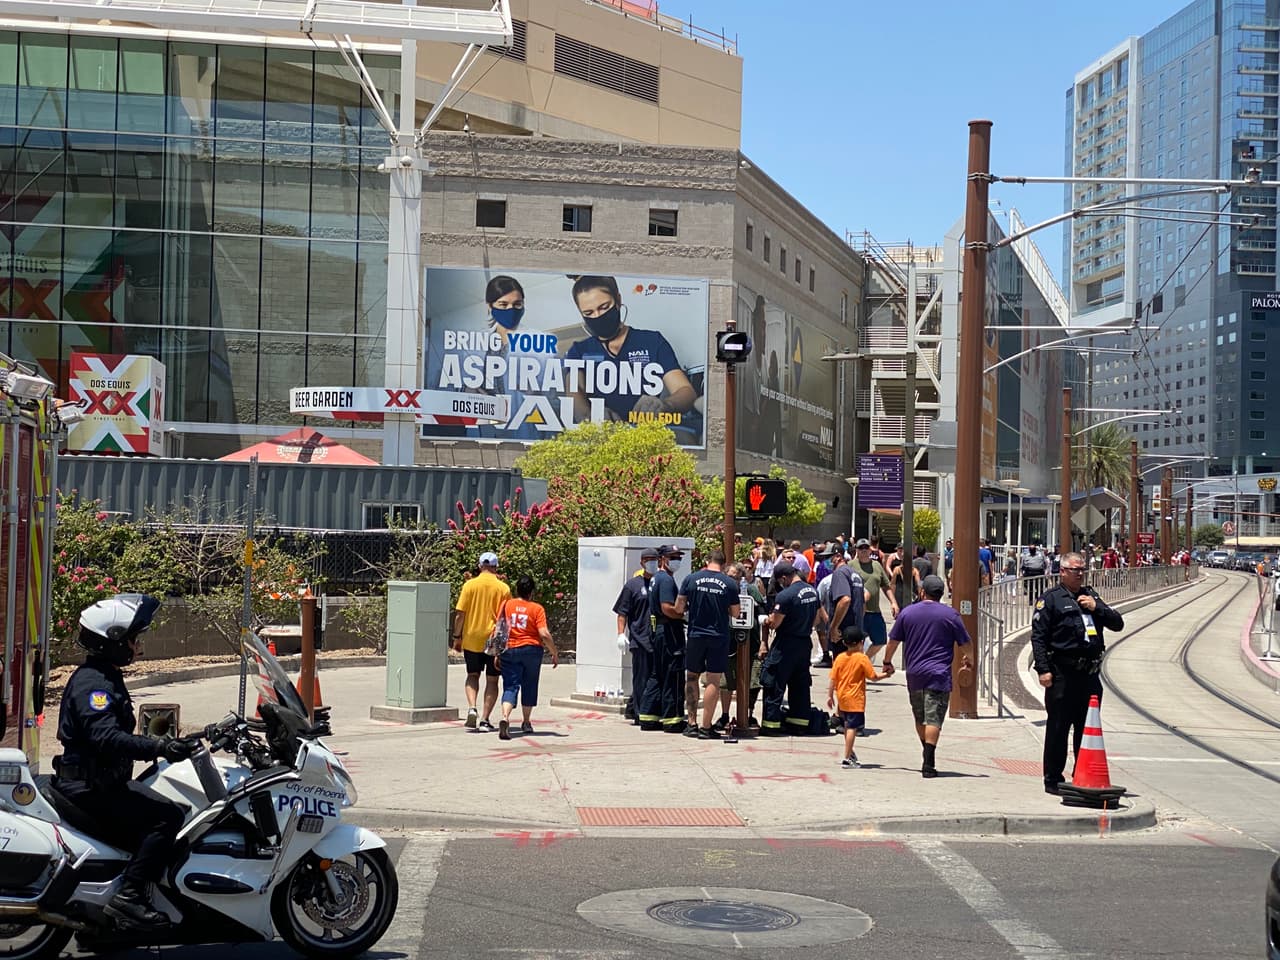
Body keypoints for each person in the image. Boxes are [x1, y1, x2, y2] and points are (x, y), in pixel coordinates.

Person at [54, 594, 195, 927]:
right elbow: (106, 737)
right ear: (112, 641)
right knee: (167, 818)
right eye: (132, 639)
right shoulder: (94, 683)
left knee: (172, 806)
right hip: (89, 787)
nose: (137, 645)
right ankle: (130, 895)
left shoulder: (105, 675)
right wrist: (158, 748)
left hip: (101, 781)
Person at [1030, 551, 1124, 795]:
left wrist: (1097, 608)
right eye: (1075, 570)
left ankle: (1082, 774)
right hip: (1063, 673)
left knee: (1087, 728)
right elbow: (1038, 637)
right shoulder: (1051, 599)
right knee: (1058, 728)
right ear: (1063, 572)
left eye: (1082, 569)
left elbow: (1117, 623)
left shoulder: (1091, 596)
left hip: (1089, 675)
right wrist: (1043, 669)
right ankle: (1053, 778)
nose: (1080, 574)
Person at [566, 275, 700, 441]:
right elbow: (575, 394)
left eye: (604, 307)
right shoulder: (579, 351)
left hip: (647, 435)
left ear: (618, 300)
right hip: (603, 438)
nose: (597, 316)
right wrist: (590, 416)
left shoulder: (652, 341)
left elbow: (685, 391)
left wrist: (666, 405)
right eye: (588, 313)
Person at [882, 575, 972, 778]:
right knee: (934, 718)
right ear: (941, 593)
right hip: (939, 674)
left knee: (920, 716)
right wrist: (970, 659)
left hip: (914, 673)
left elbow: (893, 641)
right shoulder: (951, 615)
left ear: (923, 592)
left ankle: (926, 751)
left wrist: (887, 662)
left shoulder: (907, 613)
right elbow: (966, 643)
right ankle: (929, 762)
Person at [675, 549, 740, 739]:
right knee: (713, 680)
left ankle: (691, 724)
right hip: (718, 636)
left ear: (707, 560)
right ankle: (705, 727)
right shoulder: (730, 583)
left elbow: (679, 607)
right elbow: (736, 613)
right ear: (724, 564)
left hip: (695, 634)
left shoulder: (691, 579)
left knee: (692, 676)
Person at [451, 551, 511, 732]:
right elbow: (505, 617)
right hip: (493, 639)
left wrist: (457, 637)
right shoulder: (503, 588)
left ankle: (472, 708)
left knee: (472, 675)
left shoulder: (469, 585)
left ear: (479, 566)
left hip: (472, 637)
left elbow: (460, 614)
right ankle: (485, 720)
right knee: (492, 680)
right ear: (496, 567)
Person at [759, 561, 820, 735]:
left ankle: (771, 725)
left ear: (784, 578)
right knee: (800, 684)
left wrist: (767, 620)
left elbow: (775, 623)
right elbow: (817, 619)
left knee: (774, 682)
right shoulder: (812, 591)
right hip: (804, 643)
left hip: (785, 645)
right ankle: (799, 723)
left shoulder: (785, 596)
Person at [497, 575, 559, 740]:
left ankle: (505, 717)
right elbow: (543, 633)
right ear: (532, 592)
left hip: (509, 649)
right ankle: (526, 721)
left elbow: (499, 628)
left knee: (510, 686)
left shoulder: (507, 604)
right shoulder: (537, 609)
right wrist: (554, 652)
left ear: (517, 589)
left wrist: (497, 653)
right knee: (530, 684)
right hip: (532, 650)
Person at [826, 626, 887, 768]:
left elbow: (833, 679)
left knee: (847, 725)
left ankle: (850, 752)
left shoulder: (840, 658)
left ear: (844, 643)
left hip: (842, 698)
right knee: (852, 728)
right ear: (861, 643)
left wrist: (830, 696)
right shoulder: (862, 658)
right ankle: (847, 758)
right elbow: (873, 677)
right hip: (855, 699)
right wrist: (887, 674)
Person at [646, 544, 689, 733]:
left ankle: (649, 716)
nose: (677, 560)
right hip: (669, 631)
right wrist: (683, 614)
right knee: (674, 675)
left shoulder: (656, 578)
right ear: (662, 559)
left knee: (657, 674)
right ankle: (673, 720)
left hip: (659, 630)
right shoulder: (666, 580)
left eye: (679, 557)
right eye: (673, 557)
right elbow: (667, 608)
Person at [719, 561, 766, 729]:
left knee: (753, 682)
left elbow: (763, 618)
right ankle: (724, 715)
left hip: (751, 644)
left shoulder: (751, 591)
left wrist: (763, 643)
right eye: (730, 577)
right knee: (725, 683)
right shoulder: (721, 591)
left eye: (737, 578)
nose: (734, 581)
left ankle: (748, 714)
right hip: (728, 644)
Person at [615, 547, 658, 725]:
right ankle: (640, 714)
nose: (652, 563)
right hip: (640, 639)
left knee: (655, 679)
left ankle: (651, 711)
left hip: (658, 640)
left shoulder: (661, 582)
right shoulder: (632, 585)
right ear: (642, 562)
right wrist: (620, 634)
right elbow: (622, 613)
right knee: (641, 679)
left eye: (655, 560)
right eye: (649, 560)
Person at [850, 538, 897, 663]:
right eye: (861, 548)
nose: (864, 550)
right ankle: (857, 667)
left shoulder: (877, 565)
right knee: (856, 643)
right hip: (858, 612)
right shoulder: (850, 565)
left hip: (875, 612)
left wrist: (893, 602)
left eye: (866, 548)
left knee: (881, 640)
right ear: (856, 550)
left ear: (870, 550)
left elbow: (886, 586)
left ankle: (863, 661)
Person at [819, 551, 865, 669]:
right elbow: (863, 604)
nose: (826, 561)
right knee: (854, 669)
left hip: (843, 633)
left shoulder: (839, 573)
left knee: (842, 670)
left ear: (838, 556)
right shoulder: (855, 574)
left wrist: (833, 627)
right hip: (856, 630)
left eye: (828, 557)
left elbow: (845, 600)